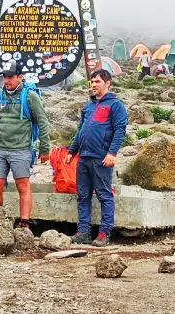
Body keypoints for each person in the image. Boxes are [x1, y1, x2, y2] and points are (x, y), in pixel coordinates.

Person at [67, 69, 128, 247]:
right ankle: (83, 232)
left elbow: (119, 130)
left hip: (102, 158)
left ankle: (104, 233)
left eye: (98, 82)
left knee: (104, 195)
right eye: (92, 82)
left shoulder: (115, 105)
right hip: (84, 157)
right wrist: (72, 151)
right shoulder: (88, 106)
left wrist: (112, 153)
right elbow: (80, 131)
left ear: (107, 83)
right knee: (83, 196)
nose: (94, 85)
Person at [0, 68, 51, 233]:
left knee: (22, 185)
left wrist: (45, 148)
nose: (7, 81)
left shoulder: (30, 96)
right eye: (4, 77)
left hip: (21, 148)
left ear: (20, 77)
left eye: (10, 77)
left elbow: (43, 121)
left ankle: (24, 223)